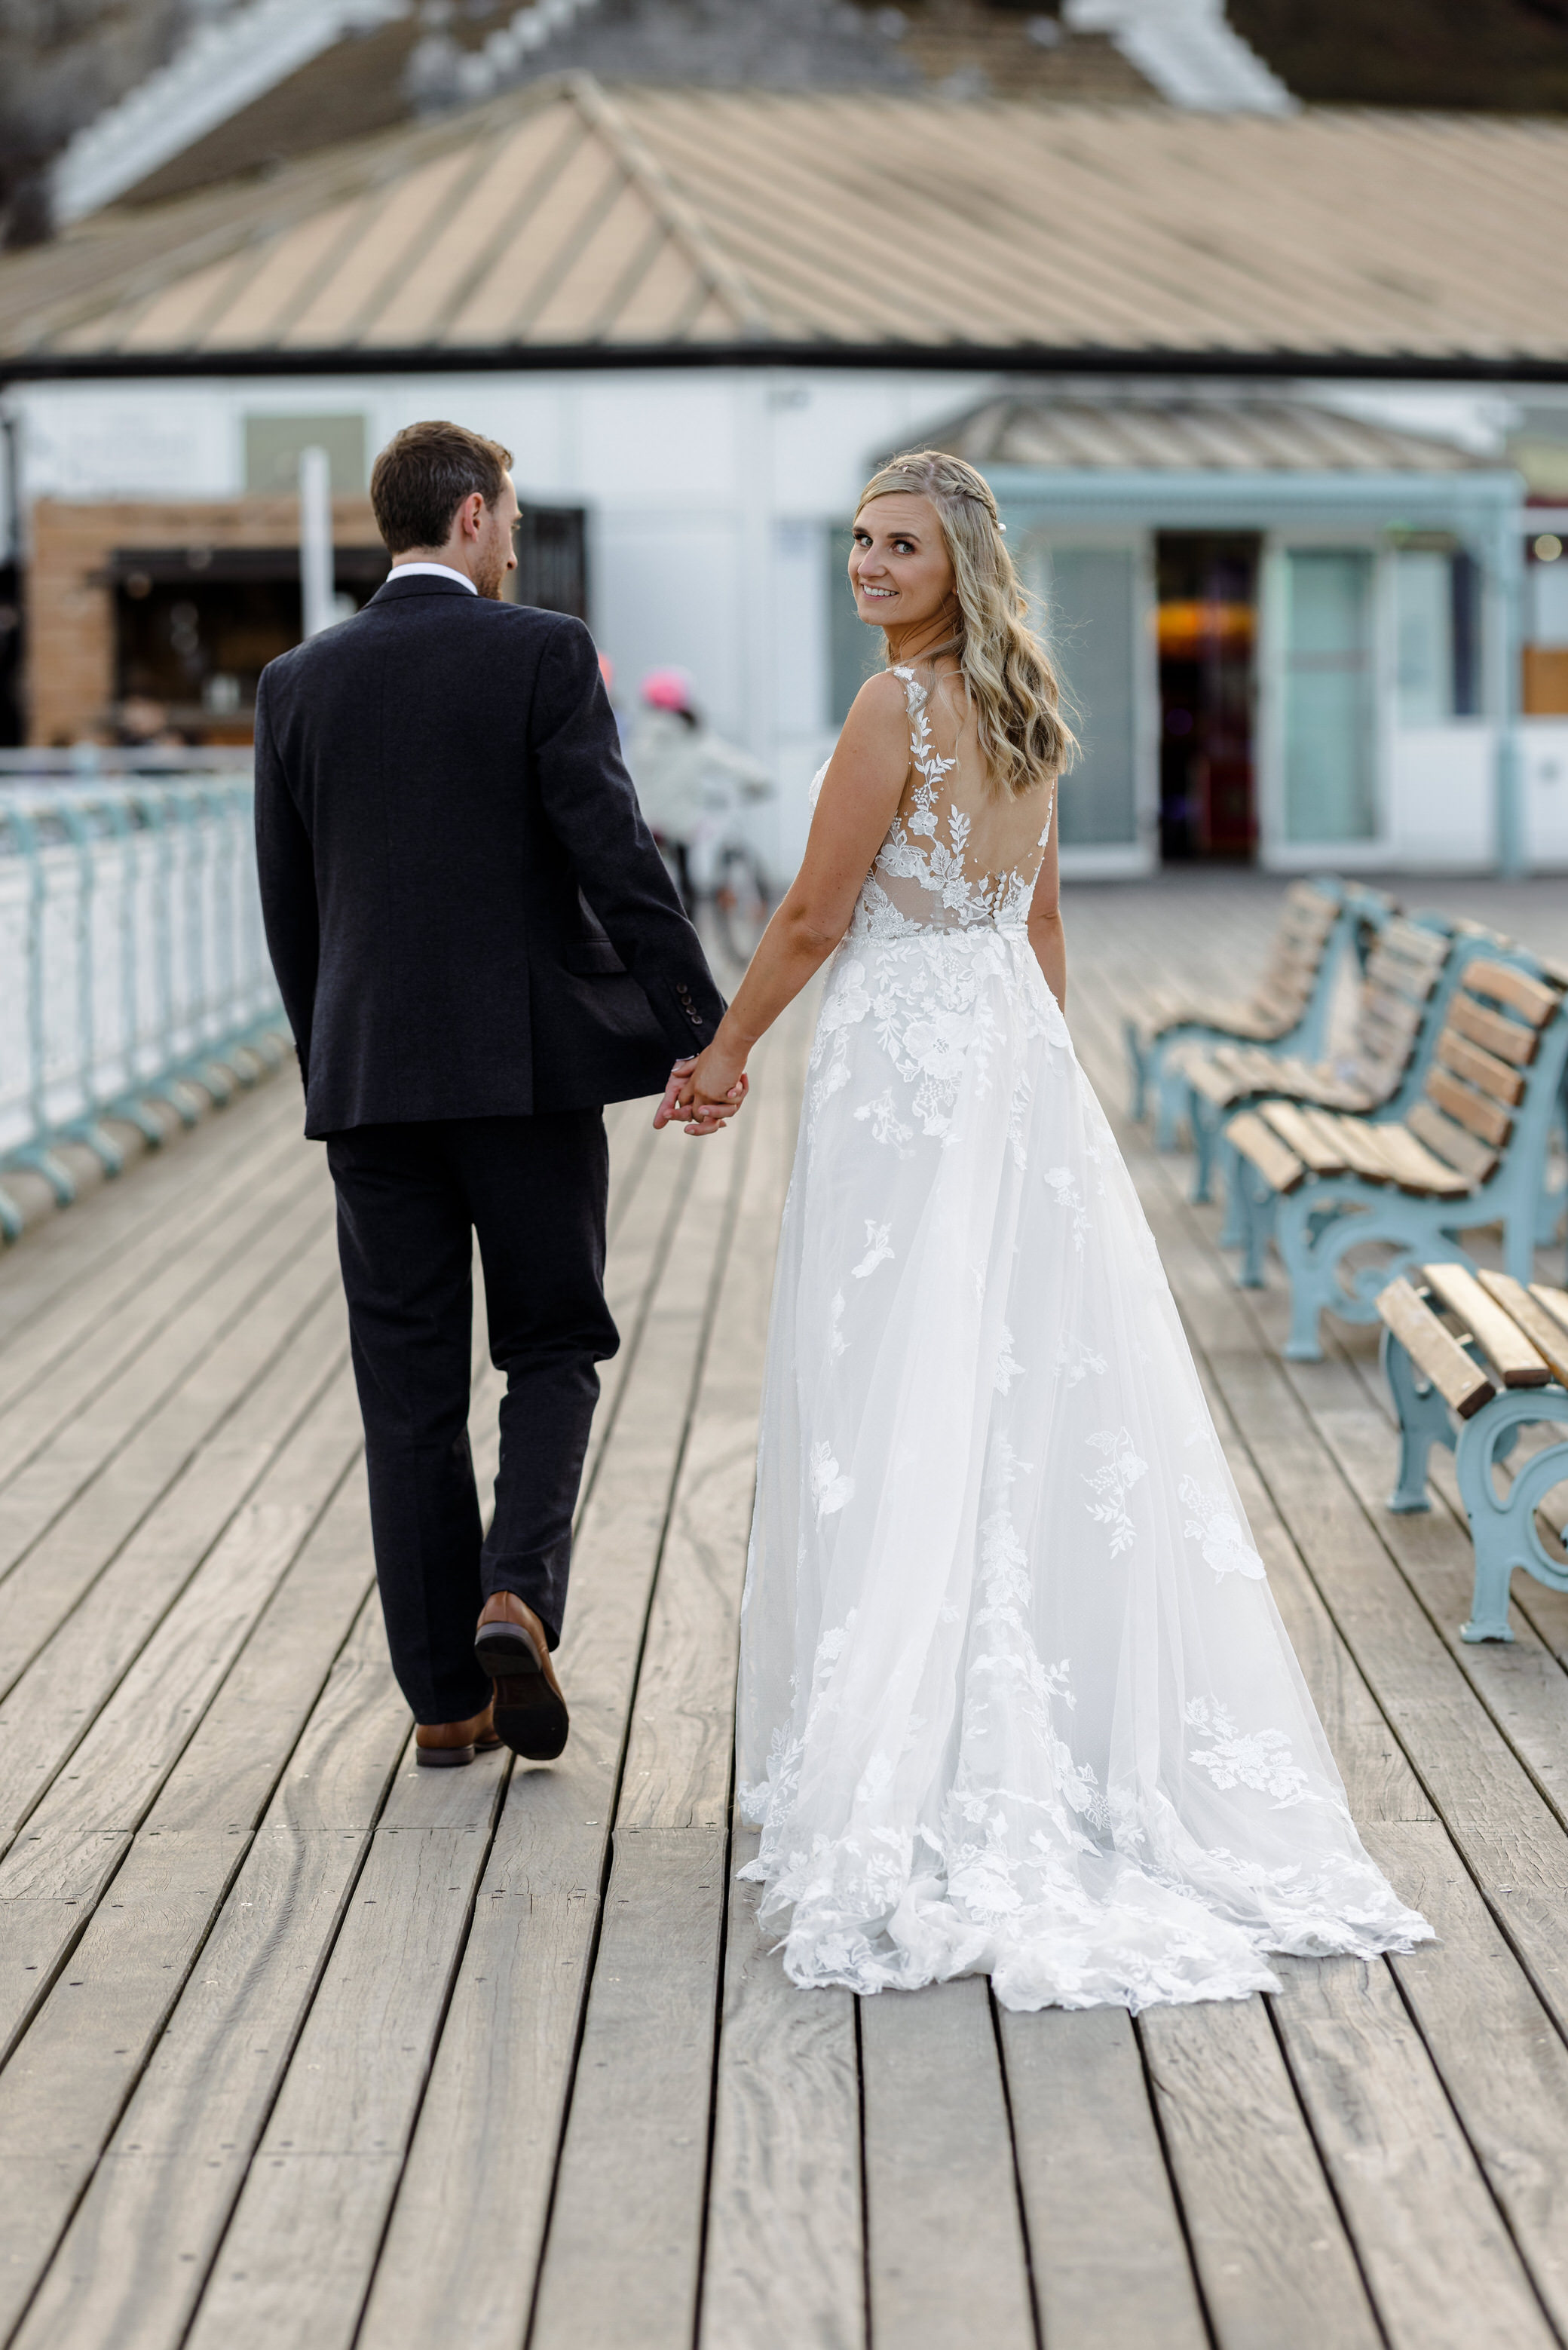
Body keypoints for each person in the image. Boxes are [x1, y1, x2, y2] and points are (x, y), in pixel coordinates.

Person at [660, 450, 1429, 2011]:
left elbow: (811, 915)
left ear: (958, 564)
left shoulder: (894, 711)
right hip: (1001, 1054)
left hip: (907, 1066)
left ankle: (925, 1752)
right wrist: (1046, 1085)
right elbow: (1043, 920)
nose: (869, 566)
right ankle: (1037, 1732)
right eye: (859, 540)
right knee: (1010, 1380)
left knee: (899, 1380)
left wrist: (723, 1049)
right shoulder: (1020, 706)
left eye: (900, 547)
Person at [253, 420, 730, 1770]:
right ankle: (518, 1586)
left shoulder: (296, 682)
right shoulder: (541, 653)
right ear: (471, 515)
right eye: (509, 515)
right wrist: (702, 1026)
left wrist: (328, 1060)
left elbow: (293, 916)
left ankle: (444, 1701)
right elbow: (615, 854)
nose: (516, 539)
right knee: (552, 1341)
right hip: (526, 1076)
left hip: (369, 1086)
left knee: (406, 1396)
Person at [626, 668, 773, 915]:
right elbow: (732, 761)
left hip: (647, 822)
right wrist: (761, 780)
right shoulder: (691, 736)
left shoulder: (640, 736)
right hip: (681, 823)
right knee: (687, 879)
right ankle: (690, 926)